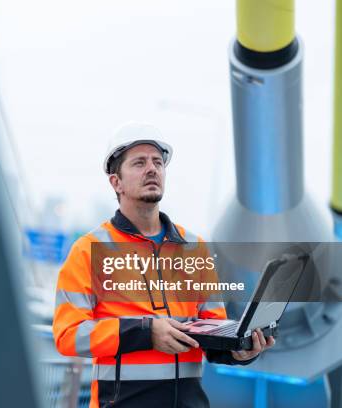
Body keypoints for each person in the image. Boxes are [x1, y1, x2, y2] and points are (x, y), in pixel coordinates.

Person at [52, 122, 275, 408]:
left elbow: (213, 328)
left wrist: (240, 350)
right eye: (139, 163)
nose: (152, 169)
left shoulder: (194, 247)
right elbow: (69, 335)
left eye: (158, 162)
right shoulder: (89, 250)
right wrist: (145, 332)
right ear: (115, 182)